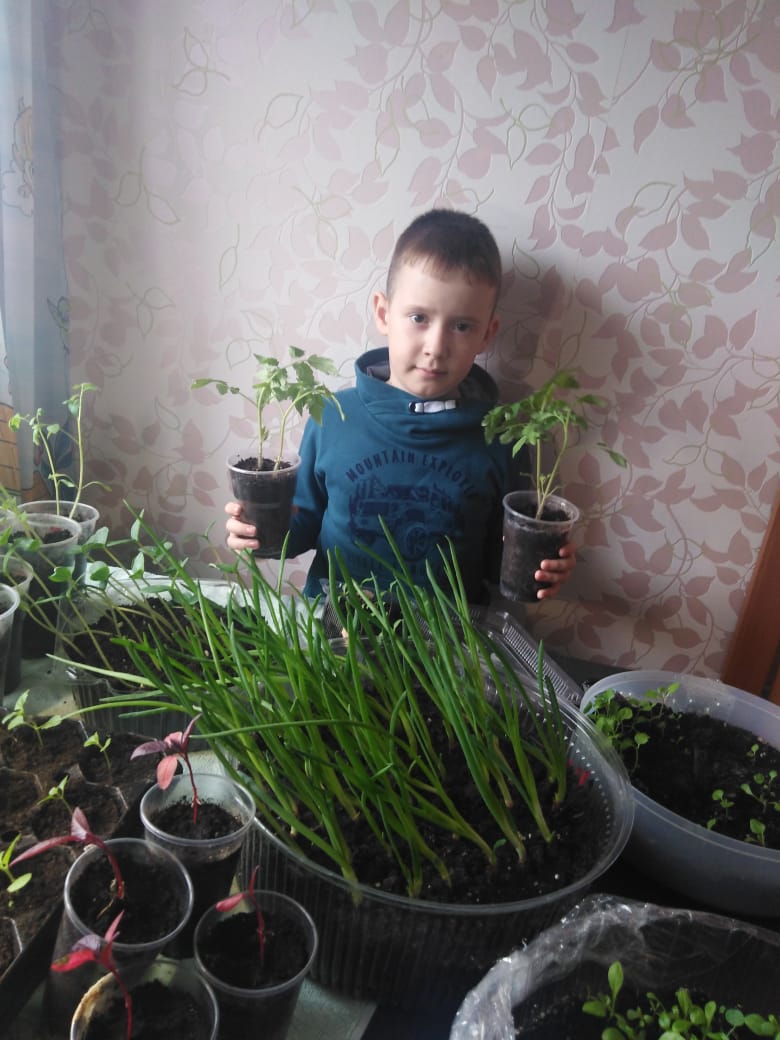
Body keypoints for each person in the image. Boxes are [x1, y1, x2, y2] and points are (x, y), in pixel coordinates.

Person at [225, 208, 576, 602]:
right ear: (383, 313)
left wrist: (541, 568)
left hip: (447, 634)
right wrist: (259, 532)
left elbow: (500, 563)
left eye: (462, 326)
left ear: (487, 335)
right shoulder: (333, 417)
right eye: (419, 317)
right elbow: (303, 524)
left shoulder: (501, 438)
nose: (436, 347)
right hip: (336, 625)